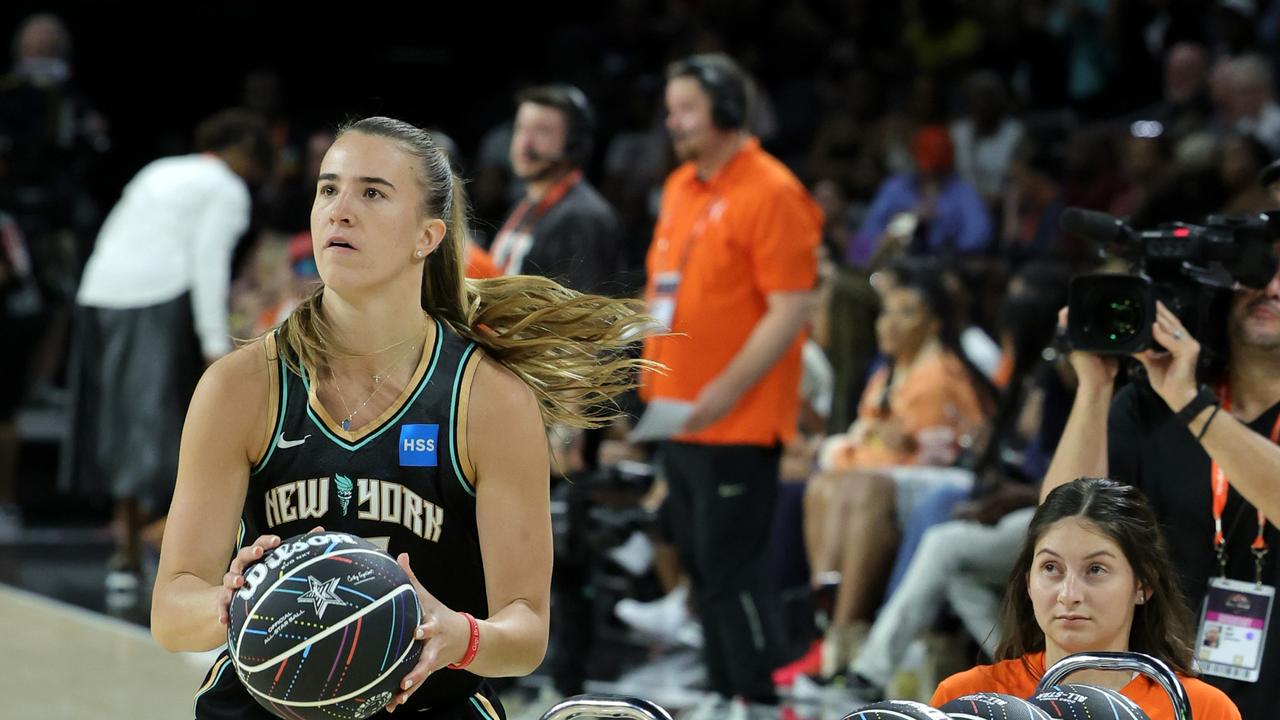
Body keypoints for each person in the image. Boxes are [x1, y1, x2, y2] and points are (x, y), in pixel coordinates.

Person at [150, 116, 653, 719]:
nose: (339, 210)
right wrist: (232, 603)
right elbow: (171, 613)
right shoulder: (241, 386)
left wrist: (458, 635)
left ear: (427, 236)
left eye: (372, 192)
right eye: (328, 188)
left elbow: (525, 633)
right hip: (266, 704)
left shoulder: (487, 397)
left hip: (429, 704)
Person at [640, 52, 822, 713]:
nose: (673, 121)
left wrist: (725, 388)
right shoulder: (682, 187)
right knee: (702, 567)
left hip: (738, 422)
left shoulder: (773, 191)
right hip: (676, 415)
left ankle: (756, 694)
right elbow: (664, 293)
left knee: (732, 570)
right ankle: (724, 687)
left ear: (725, 109)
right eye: (671, 109)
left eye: (686, 108)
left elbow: (791, 307)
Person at [1040, 258, 1280, 720]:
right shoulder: (1152, 400)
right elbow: (1062, 527)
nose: (1270, 287)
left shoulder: (1181, 398)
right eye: (1259, 268)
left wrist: (1192, 404)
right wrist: (1096, 385)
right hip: (1163, 686)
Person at [67, 108, 271, 596]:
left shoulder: (160, 169)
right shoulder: (225, 187)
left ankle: (132, 550)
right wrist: (213, 344)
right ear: (243, 154)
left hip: (98, 299)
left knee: (119, 426)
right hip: (155, 302)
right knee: (153, 429)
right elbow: (209, 261)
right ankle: (137, 549)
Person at [932, 478, 1241, 720]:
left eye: (1095, 569)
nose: (1069, 594)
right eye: (1051, 568)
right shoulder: (968, 697)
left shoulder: (1202, 709)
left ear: (1144, 584)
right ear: (1029, 582)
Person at [487, 83, 622, 295]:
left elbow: (583, 312)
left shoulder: (585, 216)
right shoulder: (524, 203)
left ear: (574, 142)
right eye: (520, 129)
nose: (525, 144)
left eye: (542, 132)